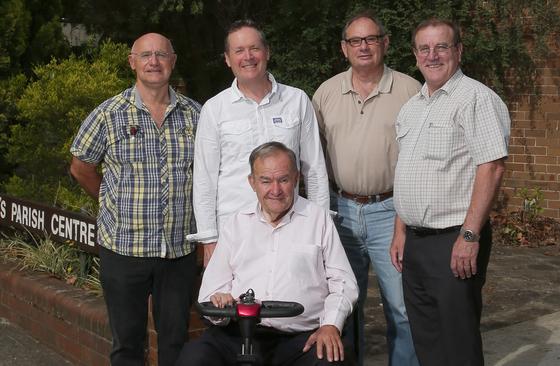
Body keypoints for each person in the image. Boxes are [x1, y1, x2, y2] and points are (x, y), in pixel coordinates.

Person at [69, 33, 201, 366]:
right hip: (123, 250)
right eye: (145, 55)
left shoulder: (196, 115)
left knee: (176, 343)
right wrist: (110, 201)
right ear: (132, 62)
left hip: (178, 252)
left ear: (173, 60)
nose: (153, 62)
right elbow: (81, 167)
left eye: (161, 54)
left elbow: (207, 178)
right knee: (127, 346)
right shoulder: (108, 114)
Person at [389, 18, 510, 366]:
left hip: (454, 240)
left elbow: (492, 166)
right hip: (415, 242)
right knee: (426, 337)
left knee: (457, 341)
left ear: (458, 51)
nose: (432, 55)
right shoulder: (411, 108)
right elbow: (407, 172)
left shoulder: (476, 99)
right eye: (424, 48)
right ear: (415, 56)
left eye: (441, 46)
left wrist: (469, 235)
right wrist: (400, 231)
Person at [176, 142, 358, 366]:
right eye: (266, 181)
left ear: (296, 179)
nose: (275, 190)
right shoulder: (236, 223)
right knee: (193, 359)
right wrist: (220, 304)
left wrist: (330, 325)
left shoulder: (318, 220)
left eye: (283, 179)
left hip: (300, 338)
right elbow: (211, 292)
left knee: (332, 360)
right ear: (252, 182)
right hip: (239, 333)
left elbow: (343, 283)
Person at [311, 10, 421, 366]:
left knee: (401, 306)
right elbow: (312, 160)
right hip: (340, 211)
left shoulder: (410, 90)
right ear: (344, 48)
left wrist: (404, 221)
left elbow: (420, 161)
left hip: (390, 212)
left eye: (371, 39)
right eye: (355, 41)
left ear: (385, 43)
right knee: (343, 306)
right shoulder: (326, 93)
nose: (363, 47)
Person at [190, 19, 329, 266]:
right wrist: (209, 239)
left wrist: (321, 225)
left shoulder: (296, 100)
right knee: (239, 304)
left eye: (254, 48)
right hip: (234, 233)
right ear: (227, 58)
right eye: (239, 51)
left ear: (267, 52)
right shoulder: (214, 109)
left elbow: (315, 169)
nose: (248, 57)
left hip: (292, 226)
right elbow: (204, 180)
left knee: (292, 301)